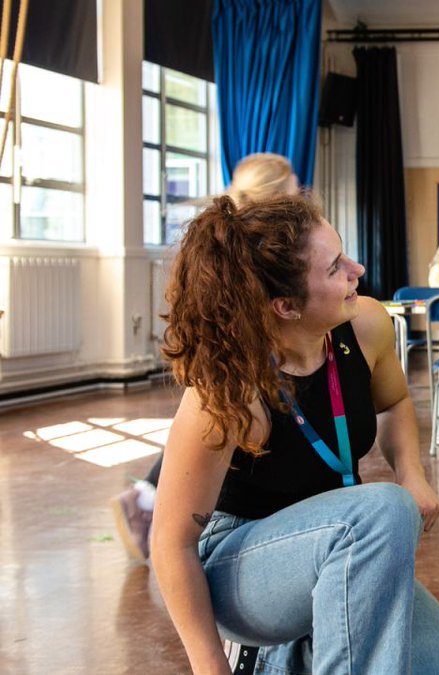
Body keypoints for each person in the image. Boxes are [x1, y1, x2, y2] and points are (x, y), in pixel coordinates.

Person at [149, 193, 439, 673]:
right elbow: (170, 544)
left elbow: (394, 402)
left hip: (341, 545)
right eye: (335, 268)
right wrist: (209, 666)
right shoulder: (228, 391)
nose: (357, 269)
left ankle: (296, 651)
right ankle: (272, 648)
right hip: (239, 565)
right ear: (285, 306)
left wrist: (412, 472)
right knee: (381, 512)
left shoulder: (365, 325)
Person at [111, 153, 302, 564]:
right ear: (276, 192)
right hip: (242, 358)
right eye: (293, 184)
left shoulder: (230, 238)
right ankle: (152, 500)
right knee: (217, 432)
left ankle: (146, 495)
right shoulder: (255, 246)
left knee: (214, 433)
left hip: (226, 354)